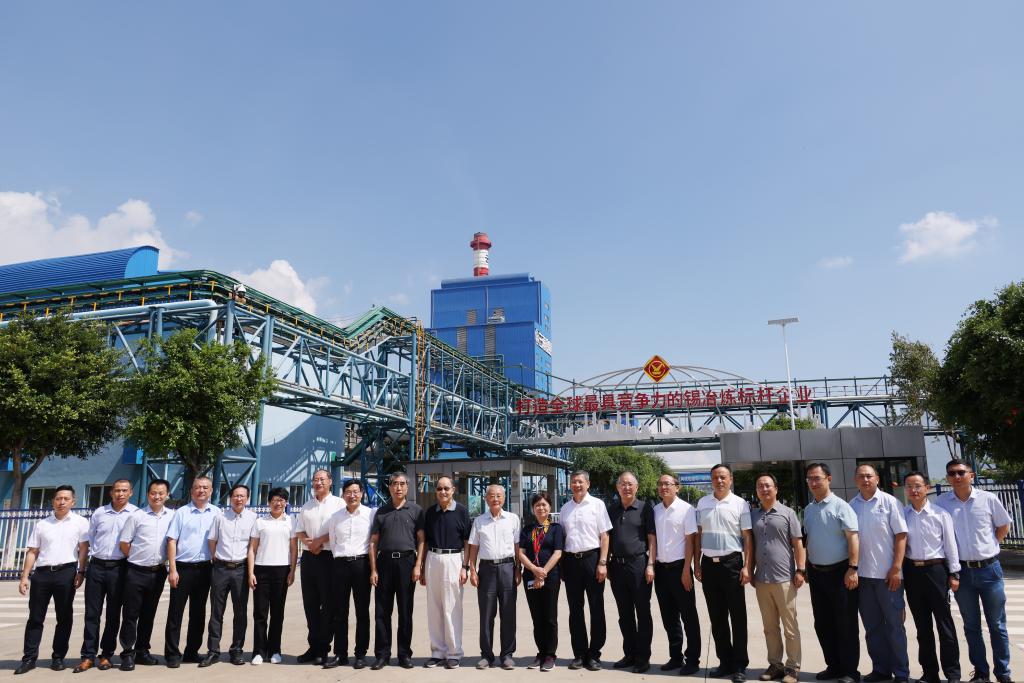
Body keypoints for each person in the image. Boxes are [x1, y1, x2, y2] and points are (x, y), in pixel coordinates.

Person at [936, 458, 1013, 683]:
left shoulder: (988, 499)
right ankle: (981, 672)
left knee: (997, 625)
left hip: (990, 570)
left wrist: (991, 546)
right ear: (948, 478)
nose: (957, 477)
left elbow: (1003, 525)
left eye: (961, 472)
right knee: (971, 626)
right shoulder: (942, 503)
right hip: (961, 573)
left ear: (971, 475)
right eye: (952, 473)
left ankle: (1003, 672)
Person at [15, 485, 90, 675]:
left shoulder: (81, 523)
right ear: (53, 501)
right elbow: (32, 551)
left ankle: (58, 657)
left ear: (73, 501)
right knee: (35, 617)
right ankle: (29, 658)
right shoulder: (42, 524)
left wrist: (81, 571)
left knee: (64, 617)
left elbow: (83, 549)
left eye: (66, 499)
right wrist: (25, 576)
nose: (62, 502)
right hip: (42, 574)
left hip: (66, 573)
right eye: (58, 498)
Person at [850, 464, 910, 683]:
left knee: (895, 626)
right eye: (861, 476)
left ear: (877, 478)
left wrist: (896, 568)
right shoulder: (852, 506)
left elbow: (901, 536)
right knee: (872, 628)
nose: (865, 480)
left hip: (888, 577)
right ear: (855, 480)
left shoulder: (890, 502)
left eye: (869, 476)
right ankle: (881, 669)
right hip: (864, 578)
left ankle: (901, 672)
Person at [694, 464, 753, 683]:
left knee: (737, 616)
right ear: (711, 480)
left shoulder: (740, 504)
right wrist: (697, 563)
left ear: (730, 479)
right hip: (709, 565)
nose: (719, 481)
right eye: (715, 477)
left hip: (732, 564)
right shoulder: (702, 503)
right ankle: (725, 662)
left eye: (723, 477)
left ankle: (739, 664)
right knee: (717, 617)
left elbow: (747, 537)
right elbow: (698, 535)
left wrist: (747, 566)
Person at [802, 462, 860, 683]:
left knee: (845, 624)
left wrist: (853, 568)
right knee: (823, 623)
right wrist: (806, 567)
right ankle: (833, 666)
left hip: (841, 573)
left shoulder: (841, 506)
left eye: (817, 478)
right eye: (810, 478)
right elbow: (808, 540)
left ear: (829, 479)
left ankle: (849, 671)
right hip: (817, 574)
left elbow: (853, 538)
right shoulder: (809, 510)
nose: (813, 482)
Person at [902, 471, 961, 683]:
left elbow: (950, 546)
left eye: (918, 486)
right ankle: (929, 673)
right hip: (912, 572)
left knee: (945, 625)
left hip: (936, 571)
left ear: (927, 488)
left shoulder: (940, 514)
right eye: (909, 486)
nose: (914, 490)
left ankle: (953, 674)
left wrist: (954, 573)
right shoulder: (902, 515)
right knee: (922, 627)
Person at [74, 479, 137, 673]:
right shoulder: (99, 513)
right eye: (117, 490)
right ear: (111, 493)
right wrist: (82, 569)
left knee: (113, 614)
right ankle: (88, 655)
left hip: (120, 568)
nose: (120, 494)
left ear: (131, 493)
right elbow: (90, 539)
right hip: (97, 567)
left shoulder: (135, 514)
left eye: (124, 490)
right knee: (92, 613)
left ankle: (106, 655)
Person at [750, 473, 804, 683]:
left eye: (767, 485)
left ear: (776, 489)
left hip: (784, 579)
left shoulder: (788, 513)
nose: (764, 489)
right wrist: (750, 570)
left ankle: (792, 667)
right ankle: (775, 665)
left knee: (790, 627)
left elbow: (797, 543)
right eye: (760, 486)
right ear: (757, 491)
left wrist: (800, 570)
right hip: (762, 579)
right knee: (769, 627)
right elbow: (750, 545)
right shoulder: (753, 515)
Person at [368, 472, 425, 670]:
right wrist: (373, 569)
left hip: (407, 563)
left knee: (405, 611)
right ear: (389, 487)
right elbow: (373, 542)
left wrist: (418, 565)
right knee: (382, 612)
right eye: (394, 484)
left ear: (407, 487)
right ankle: (382, 655)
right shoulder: (381, 511)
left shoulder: (416, 511)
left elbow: (422, 540)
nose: (398, 487)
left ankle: (404, 654)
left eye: (402, 484)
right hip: (384, 562)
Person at [117, 478, 174, 671]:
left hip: (158, 572)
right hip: (136, 571)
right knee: (130, 614)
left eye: (161, 493)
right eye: (153, 493)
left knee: (148, 614)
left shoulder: (172, 516)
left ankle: (142, 651)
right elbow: (124, 543)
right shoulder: (137, 516)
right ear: (148, 494)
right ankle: (127, 653)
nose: (157, 496)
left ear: (167, 495)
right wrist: (137, 558)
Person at [559, 470, 612, 671]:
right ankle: (579, 654)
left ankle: (594, 654)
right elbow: (563, 538)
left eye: (580, 482)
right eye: (574, 482)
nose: (577, 485)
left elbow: (605, 536)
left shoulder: (597, 505)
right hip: (571, 562)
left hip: (592, 559)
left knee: (596, 607)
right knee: (575, 609)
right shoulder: (565, 509)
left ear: (588, 484)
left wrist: (602, 562)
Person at [164, 476, 219, 668]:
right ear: (191, 491)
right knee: (175, 613)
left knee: (198, 613)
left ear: (211, 491)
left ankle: (191, 651)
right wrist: (172, 569)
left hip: (205, 568)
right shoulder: (181, 513)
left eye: (205, 487)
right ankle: (172, 653)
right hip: (183, 568)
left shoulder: (217, 513)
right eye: (197, 487)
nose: (201, 490)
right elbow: (171, 540)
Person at [201, 483, 257, 667]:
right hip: (221, 569)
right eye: (235, 496)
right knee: (216, 611)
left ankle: (237, 650)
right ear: (230, 498)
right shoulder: (220, 517)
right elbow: (212, 540)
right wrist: (216, 558)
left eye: (242, 496)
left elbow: (252, 546)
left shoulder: (253, 518)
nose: (238, 499)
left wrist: (250, 572)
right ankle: (213, 651)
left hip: (241, 569)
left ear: (247, 498)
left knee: (240, 612)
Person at [606, 471, 656, 674]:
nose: (626, 487)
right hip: (617, 567)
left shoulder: (645, 508)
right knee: (624, 614)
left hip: (639, 565)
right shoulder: (612, 509)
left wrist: (651, 564)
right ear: (617, 488)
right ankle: (630, 654)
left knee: (642, 612)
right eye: (623, 484)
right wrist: (604, 563)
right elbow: (606, 537)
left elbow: (651, 538)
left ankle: (643, 658)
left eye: (630, 484)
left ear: (637, 487)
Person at [652, 473, 701, 676]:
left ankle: (693, 659)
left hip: (680, 569)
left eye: (668, 484)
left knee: (688, 616)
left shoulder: (686, 510)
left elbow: (691, 541)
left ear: (677, 487)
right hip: (660, 570)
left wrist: (687, 570)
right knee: (669, 617)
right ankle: (675, 656)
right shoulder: (655, 510)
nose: (663, 487)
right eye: (660, 484)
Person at [292, 468, 344, 664]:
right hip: (309, 558)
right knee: (310, 604)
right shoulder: (307, 506)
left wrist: (319, 541)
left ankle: (323, 648)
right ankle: (313, 647)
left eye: (322, 479)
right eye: (315, 479)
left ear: (330, 481)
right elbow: (299, 530)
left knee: (328, 604)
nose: (318, 482)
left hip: (329, 557)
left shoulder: (339, 504)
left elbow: (339, 529)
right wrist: (308, 542)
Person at [468, 484, 522, 670]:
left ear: (504, 498)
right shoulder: (479, 521)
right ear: (486, 498)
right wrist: (472, 570)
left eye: (499, 495)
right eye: (491, 495)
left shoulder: (513, 519)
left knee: (508, 614)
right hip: (487, 570)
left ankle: (507, 655)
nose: (495, 499)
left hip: (508, 568)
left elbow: (517, 546)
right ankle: (486, 655)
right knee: (486, 615)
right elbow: (473, 547)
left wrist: (518, 569)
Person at [419, 476, 471, 669]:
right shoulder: (430, 512)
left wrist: (465, 567)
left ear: (453, 490)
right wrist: (422, 567)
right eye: (439, 488)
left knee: (452, 608)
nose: (442, 492)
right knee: (434, 608)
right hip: (433, 558)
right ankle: (438, 652)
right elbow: (425, 541)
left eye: (446, 488)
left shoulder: (462, 511)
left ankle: (454, 653)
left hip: (453, 559)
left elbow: (467, 541)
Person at [324, 479, 375, 670]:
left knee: (362, 612)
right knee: (339, 612)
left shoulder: (370, 514)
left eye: (355, 492)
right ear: (343, 494)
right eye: (348, 492)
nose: (352, 495)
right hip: (340, 565)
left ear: (361, 493)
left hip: (361, 565)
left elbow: (373, 542)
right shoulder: (335, 517)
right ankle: (340, 654)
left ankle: (360, 654)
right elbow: (333, 542)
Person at [248, 487, 297, 666]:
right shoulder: (260, 522)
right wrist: (251, 572)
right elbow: (252, 549)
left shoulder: (290, 521)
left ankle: (275, 650)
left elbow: (293, 549)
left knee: (277, 613)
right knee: (260, 613)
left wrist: (292, 571)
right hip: (261, 569)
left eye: (282, 500)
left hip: (281, 570)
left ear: (286, 503)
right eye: (275, 500)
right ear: (269, 502)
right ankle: (259, 651)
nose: (278, 503)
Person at [518, 491, 564, 672]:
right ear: (533, 508)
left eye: (544, 504)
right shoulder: (527, 529)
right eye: (537, 505)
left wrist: (543, 572)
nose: (541, 508)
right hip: (530, 577)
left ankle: (550, 655)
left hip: (550, 577)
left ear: (550, 507)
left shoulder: (556, 528)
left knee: (550, 617)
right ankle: (541, 652)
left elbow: (558, 553)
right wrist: (534, 569)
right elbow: (520, 553)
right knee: (537, 617)